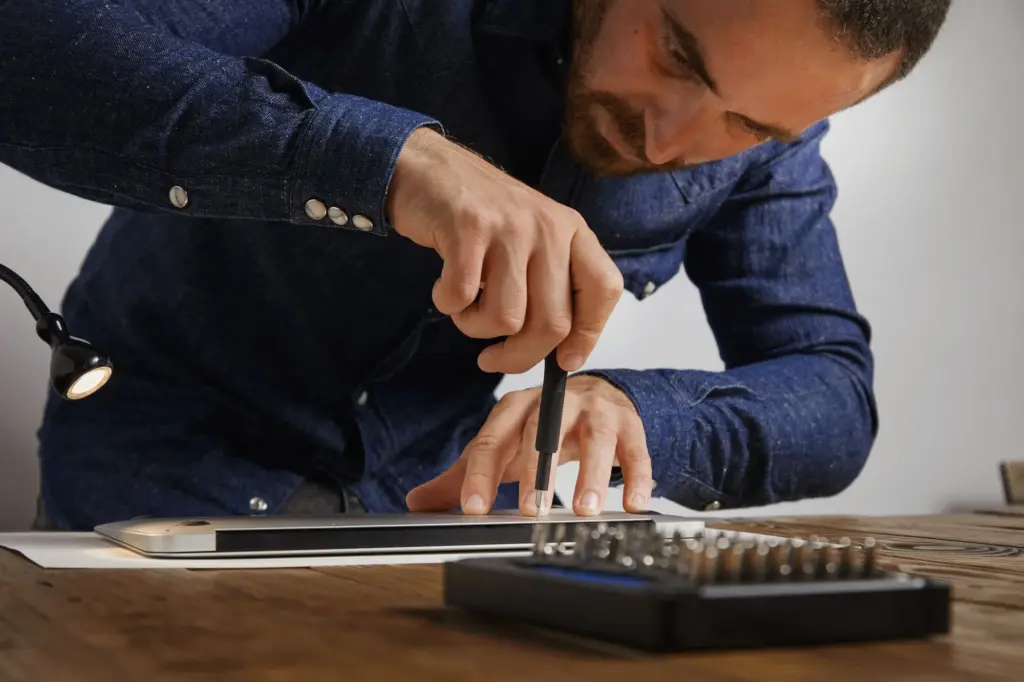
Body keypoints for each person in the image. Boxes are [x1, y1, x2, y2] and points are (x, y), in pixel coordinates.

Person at [0, 0, 951, 531]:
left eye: (751, 124)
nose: (670, 141)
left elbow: (831, 395)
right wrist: (386, 162)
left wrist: (638, 413)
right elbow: (29, 48)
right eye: (675, 53)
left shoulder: (772, 153)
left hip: (433, 517)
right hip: (159, 461)